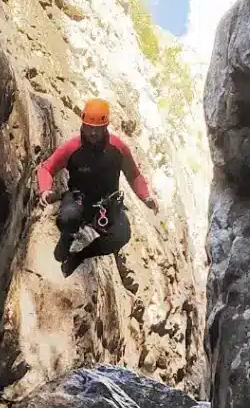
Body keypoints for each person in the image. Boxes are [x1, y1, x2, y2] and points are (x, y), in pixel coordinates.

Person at [37, 98, 159, 277]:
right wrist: (45, 189)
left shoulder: (118, 148)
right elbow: (47, 168)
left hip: (107, 204)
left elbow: (134, 175)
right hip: (80, 199)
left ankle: (79, 256)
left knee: (121, 236)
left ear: (106, 126)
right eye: (89, 127)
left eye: (97, 128)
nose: (93, 132)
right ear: (83, 124)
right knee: (66, 219)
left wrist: (146, 197)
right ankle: (68, 236)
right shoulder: (73, 148)